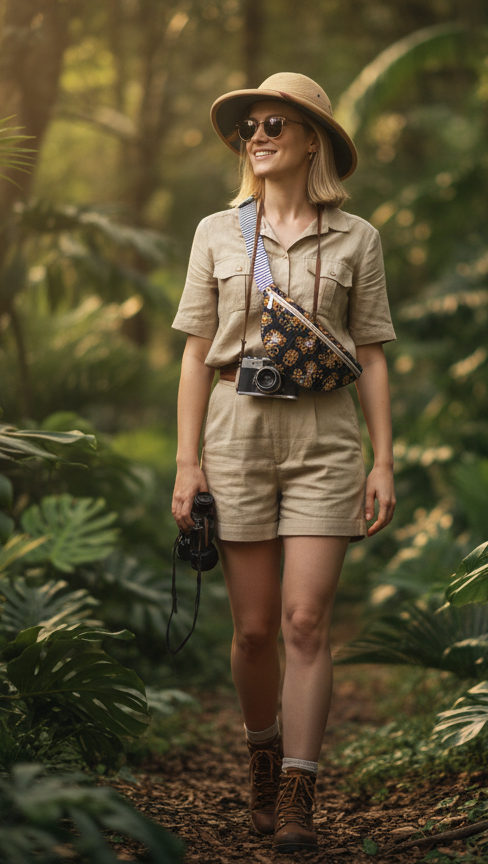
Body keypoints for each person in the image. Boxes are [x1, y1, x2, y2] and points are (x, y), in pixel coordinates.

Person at [170, 72, 396, 853]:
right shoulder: (216, 234)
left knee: (306, 622)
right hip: (236, 430)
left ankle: (299, 789)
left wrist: (384, 460)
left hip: (327, 437)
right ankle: (261, 751)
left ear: (312, 140)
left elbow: (371, 352)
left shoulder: (358, 238)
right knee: (257, 629)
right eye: (249, 128)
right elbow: (196, 355)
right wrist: (185, 464)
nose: (257, 136)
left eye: (274, 124)